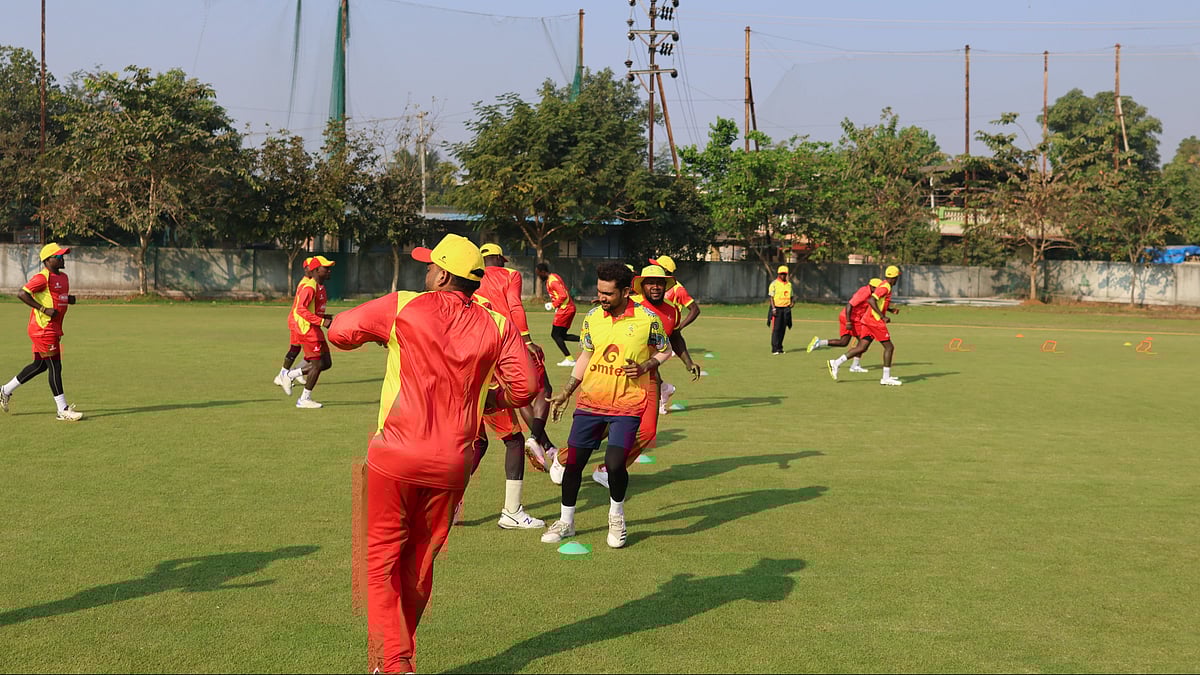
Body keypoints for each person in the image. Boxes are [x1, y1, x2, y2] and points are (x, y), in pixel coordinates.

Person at [327, 233, 536, 674]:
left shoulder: (404, 305)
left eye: (428, 266)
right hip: (453, 463)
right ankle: (391, 661)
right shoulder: (496, 323)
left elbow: (340, 332)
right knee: (419, 564)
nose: (425, 273)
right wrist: (486, 400)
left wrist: (382, 338)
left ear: (442, 273)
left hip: (395, 455)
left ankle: (396, 663)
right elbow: (527, 387)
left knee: (381, 563)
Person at [543, 262, 672, 549]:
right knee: (573, 463)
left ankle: (617, 516)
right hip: (590, 402)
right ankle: (566, 522)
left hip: (627, 404)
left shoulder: (648, 319)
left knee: (614, 465)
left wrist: (645, 366)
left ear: (626, 292)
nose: (602, 297)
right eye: (600, 291)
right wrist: (566, 391)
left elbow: (666, 350)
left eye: (608, 293)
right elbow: (586, 356)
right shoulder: (592, 317)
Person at [587, 264, 702, 489]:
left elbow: (675, 338)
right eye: (651, 283)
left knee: (647, 431)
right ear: (642, 286)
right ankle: (563, 461)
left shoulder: (672, 309)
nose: (656, 287)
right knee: (601, 428)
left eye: (660, 283)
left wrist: (688, 362)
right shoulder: (631, 303)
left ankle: (606, 470)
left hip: (648, 376)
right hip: (615, 375)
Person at [475, 243, 560, 472]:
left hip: (488, 347)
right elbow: (514, 304)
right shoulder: (511, 274)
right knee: (544, 389)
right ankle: (536, 439)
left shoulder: (474, 278)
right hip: (512, 341)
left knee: (517, 396)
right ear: (501, 258)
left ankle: (548, 447)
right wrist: (527, 338)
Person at [0, 243, 83, 420]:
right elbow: (22, 294)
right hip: (43, 329)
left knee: (40, 365)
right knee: (55, 366)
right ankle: (63, 409)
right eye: (59, 257)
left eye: (63, 256)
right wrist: (44, 310)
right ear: (48, 260)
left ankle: (5, 390)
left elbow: (54, 296)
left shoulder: (64, 277)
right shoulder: (42, 277)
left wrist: (68, 299)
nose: (62, 259)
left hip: (54, 328)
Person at [829, 265, 903, 386]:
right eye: (897, 277)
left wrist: (889, 310)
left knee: (862, 347)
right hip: (874, 322)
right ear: (894, 278)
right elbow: (871, 300)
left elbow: (878, 302)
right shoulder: (885, 287)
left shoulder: (884, 285)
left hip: (868, 320)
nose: (897, 280)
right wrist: (882, 316)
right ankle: (885, 378)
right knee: (889, 347)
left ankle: (836, 363)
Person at [281, 255, 335, 408]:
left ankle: (290, 374)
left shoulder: (321, 287)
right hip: (307, 330)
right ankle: (304, 399)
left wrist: (324, 317)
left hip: (315, 328)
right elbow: (300, 310)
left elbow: (313, 310)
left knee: (326, 363)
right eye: (326, 268)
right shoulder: (309, 288)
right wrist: (322, 321)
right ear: (317, 270)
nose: (329, 271)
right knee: (317, 365)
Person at [805, 278, 882, 374]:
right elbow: (849, 305)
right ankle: (853, 365)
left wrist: (890, 310)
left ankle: (819, 343)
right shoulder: (864, 293)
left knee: (843, 342)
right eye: (877, 288)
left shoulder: (871, 293)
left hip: (848, 317)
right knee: (863, 343)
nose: (879, 291)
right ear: (872, 287)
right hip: (851, 318)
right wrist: (849, 321)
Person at [273, 258, 312, 394]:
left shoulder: (310, 283)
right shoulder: (305, 284)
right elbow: (300, 308)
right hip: (297, 321)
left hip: (300, 321)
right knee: (296, 349)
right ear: (306, 269)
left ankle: (294, 372)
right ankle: (282, 375)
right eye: (310, 267)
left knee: (303, 350)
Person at [535, 262, 579, 367]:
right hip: (568, 308)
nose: (538, 276)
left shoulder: (552, 282)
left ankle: (569, 359)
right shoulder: (554, 276)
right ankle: (586, 340)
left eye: (538, 274)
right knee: (561, 335)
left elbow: (563, 295)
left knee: (555, 335)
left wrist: (554, 305)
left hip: (565, 310)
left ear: (543, 272)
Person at [649, 255, 701, 332]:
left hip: (668, 331)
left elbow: (695, 310)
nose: (654, 268)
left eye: (657, 266)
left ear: (665, 270)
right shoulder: (652, 286)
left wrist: (679, 328)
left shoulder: (678, 289)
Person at [767, 265, 794, 354]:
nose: (783, 275)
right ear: (778, 274)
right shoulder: (774, 284)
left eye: (784, 274)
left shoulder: (789, 285)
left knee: (783, 329)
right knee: (776, 329)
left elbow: (791, 296)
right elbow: (771, 297)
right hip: (777, 309)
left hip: (786, 309)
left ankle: (780, 348)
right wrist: (773, 308)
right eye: (781, 274)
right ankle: (774, 348)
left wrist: (792, 302)